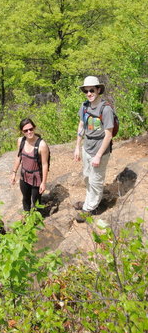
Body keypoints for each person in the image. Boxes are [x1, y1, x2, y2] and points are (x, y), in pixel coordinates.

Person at [73, 75, 114, 222]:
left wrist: (98, 155)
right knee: (87, 177)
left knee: (96, 180)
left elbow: (108, 134)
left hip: (100, 150)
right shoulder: (84, 106)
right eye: (86, 91)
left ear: (98, 90)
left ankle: (89, 208)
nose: (89, 93)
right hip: (87, 147)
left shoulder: (106, 109)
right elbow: (81, 125)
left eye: (91, 90)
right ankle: (89, 201)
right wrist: (77, 146)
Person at [10, 118, 49, 212]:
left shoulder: (42, 145)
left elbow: (44, 164)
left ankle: (36, 221)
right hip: (24, 176)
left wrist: (43, 182)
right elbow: (18, 157)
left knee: (36, 201)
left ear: (34, 128)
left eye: (31, 129)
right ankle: (27, 217)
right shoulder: (21, 141)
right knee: (25, 198)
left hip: (36, 177)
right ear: (22, 132)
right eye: (25, 130)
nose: (29, 132)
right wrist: (14, 172)